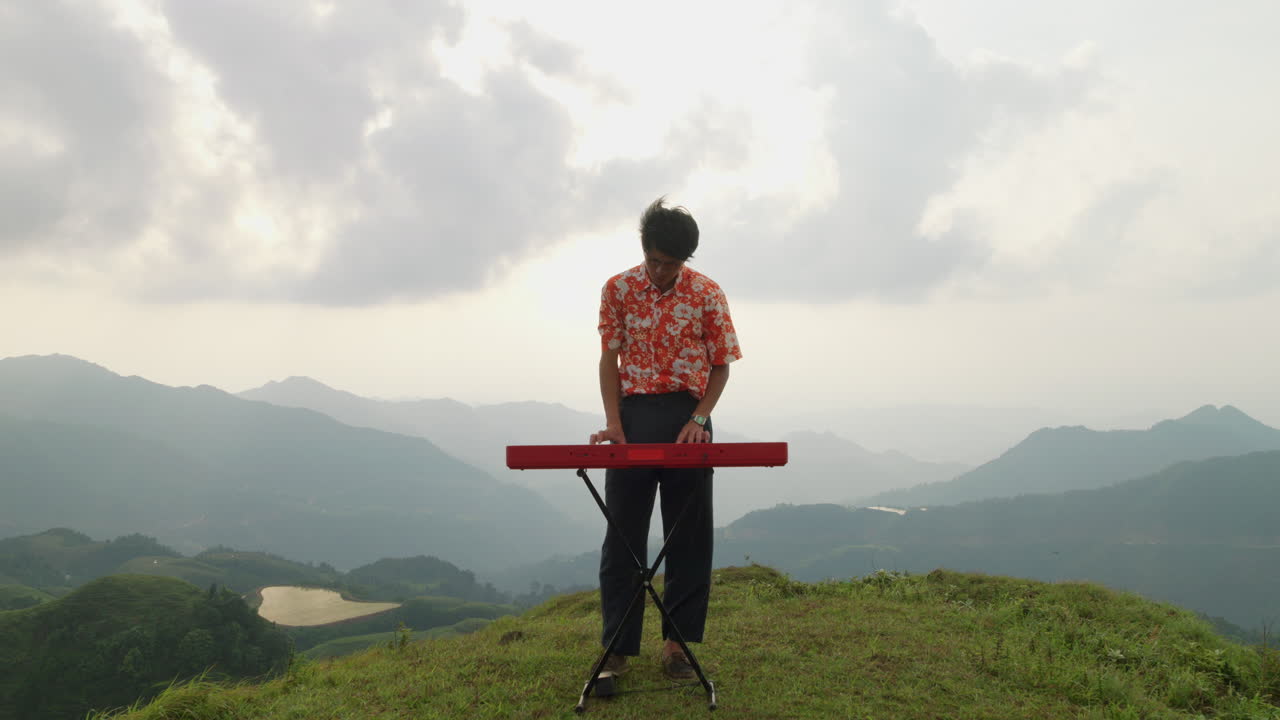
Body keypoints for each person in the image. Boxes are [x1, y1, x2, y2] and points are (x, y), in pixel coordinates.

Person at [588, 196, 741, 694]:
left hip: (688, 419)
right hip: (632, 416)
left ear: (686, 260)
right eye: (652, 259)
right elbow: (608, 359)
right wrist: (614, 422)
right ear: (643, 249)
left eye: (669, 263)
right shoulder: (618, 289)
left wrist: (700, 416)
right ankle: (616, 647)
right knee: (623, 536)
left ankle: (677, 644)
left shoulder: (707, 294)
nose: (657, 271)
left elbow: (721, 363)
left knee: (688, 535)